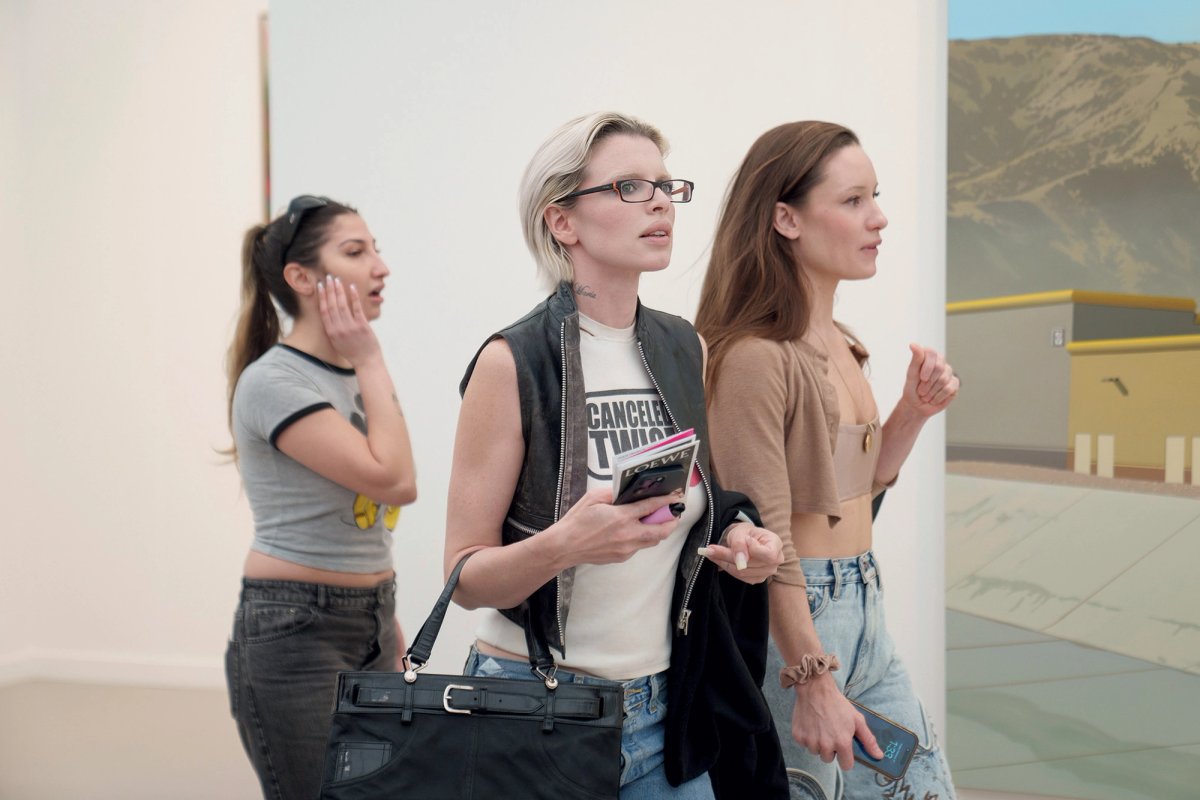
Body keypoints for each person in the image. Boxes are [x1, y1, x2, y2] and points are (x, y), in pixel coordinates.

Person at [444, 112, 790, 799]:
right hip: (533, 708)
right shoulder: (514, 361)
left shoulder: (682, 347)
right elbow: (465, 577)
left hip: (664, 706)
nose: (661, 201)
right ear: (562, 221)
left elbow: (690, 501)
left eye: (665, 184)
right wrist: (563, 546)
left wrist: (737, 536)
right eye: (630, 186)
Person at [695, 122, 959, 799]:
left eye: (875, 197)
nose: (879, 217)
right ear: (785, 217)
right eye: (852, 201)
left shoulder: (844, 344)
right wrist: (810, 677)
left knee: (920, 785)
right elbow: (768, 531)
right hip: (798, 623)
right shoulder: (755, 357)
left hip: (863, 608)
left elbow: (853, 493)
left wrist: (912, 413)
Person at [223, 195, 417, 800]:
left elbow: (378, 512)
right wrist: (369, 357)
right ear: (301, 278)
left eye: (376, 249)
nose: (380, 267)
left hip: (372, 618)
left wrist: (385, 620)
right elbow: (396, 482)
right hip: (294, 628)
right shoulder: (275, 381)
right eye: (356, 252)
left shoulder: (352, 375)